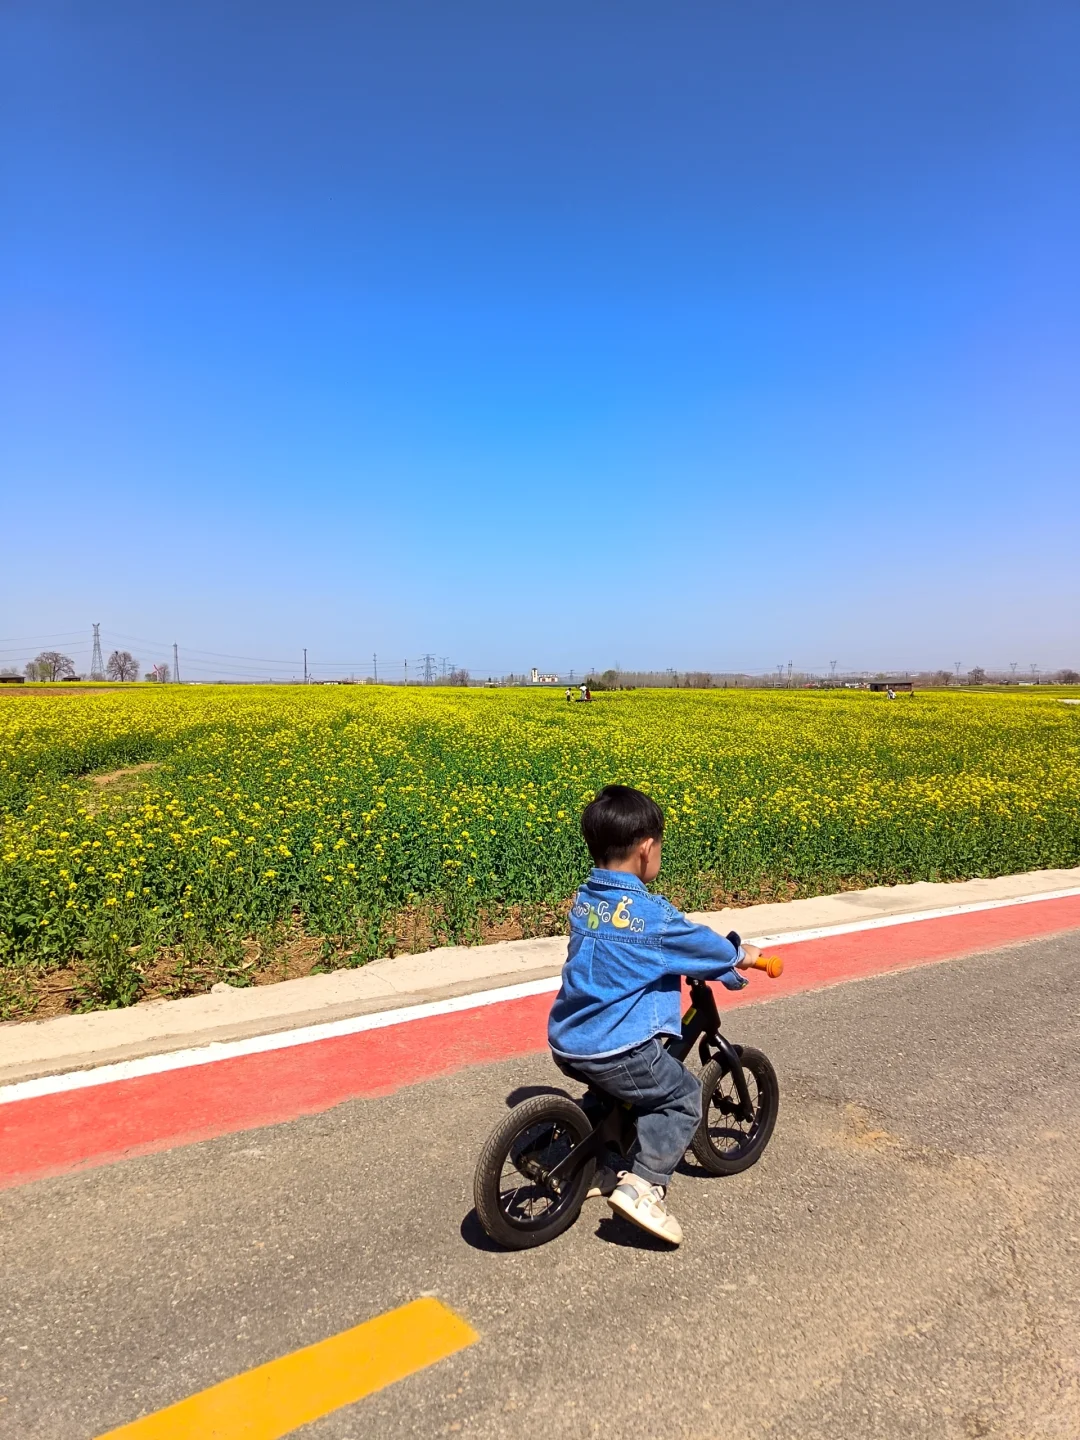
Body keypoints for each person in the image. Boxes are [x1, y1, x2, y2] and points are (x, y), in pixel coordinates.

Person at [547, 784, 759, 1245]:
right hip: (615, 1047)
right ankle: (644, 1185)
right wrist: (738, 957)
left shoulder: (586, 900)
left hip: (567, 1037)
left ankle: (599, 1164)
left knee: (611, 1094)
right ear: (646, 849)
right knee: (680, 1094)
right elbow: (696, 943)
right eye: (659, 845)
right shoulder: (651, 918)